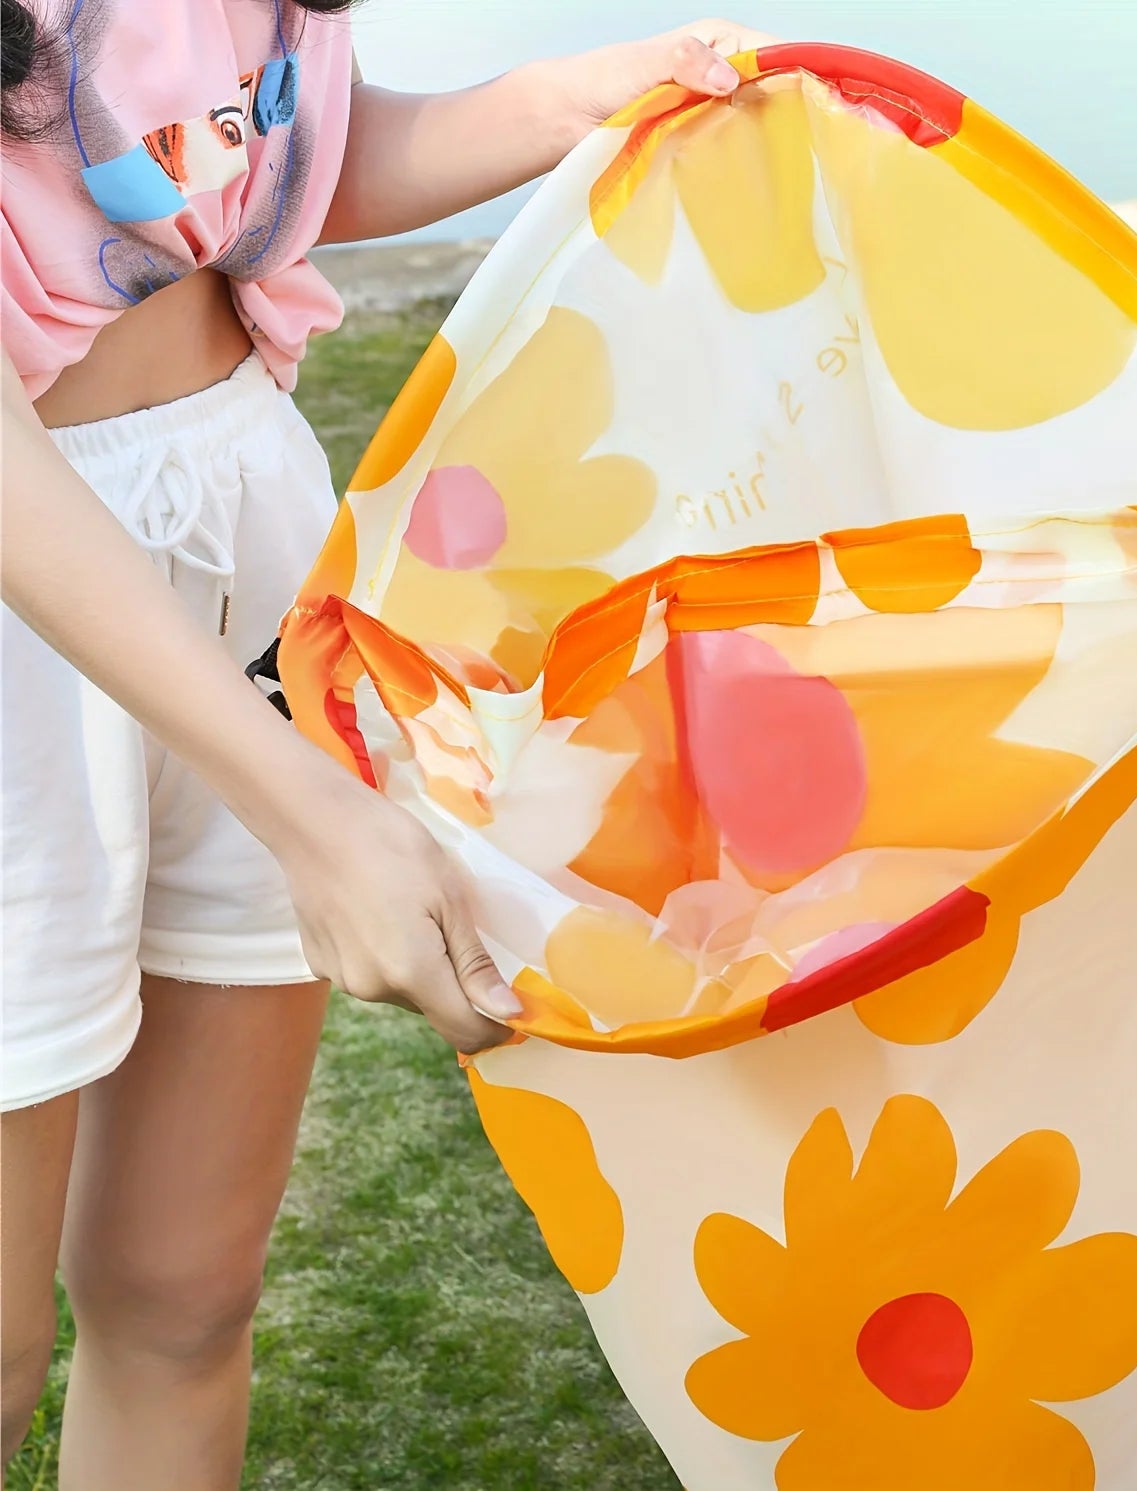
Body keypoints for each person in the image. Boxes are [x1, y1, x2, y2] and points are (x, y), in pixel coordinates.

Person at [0, 3, 770, 1481]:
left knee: (184, 1295)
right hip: (29, 597)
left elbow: (240, 167)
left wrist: (574, 98)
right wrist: (309, 807)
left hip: (248, 525)